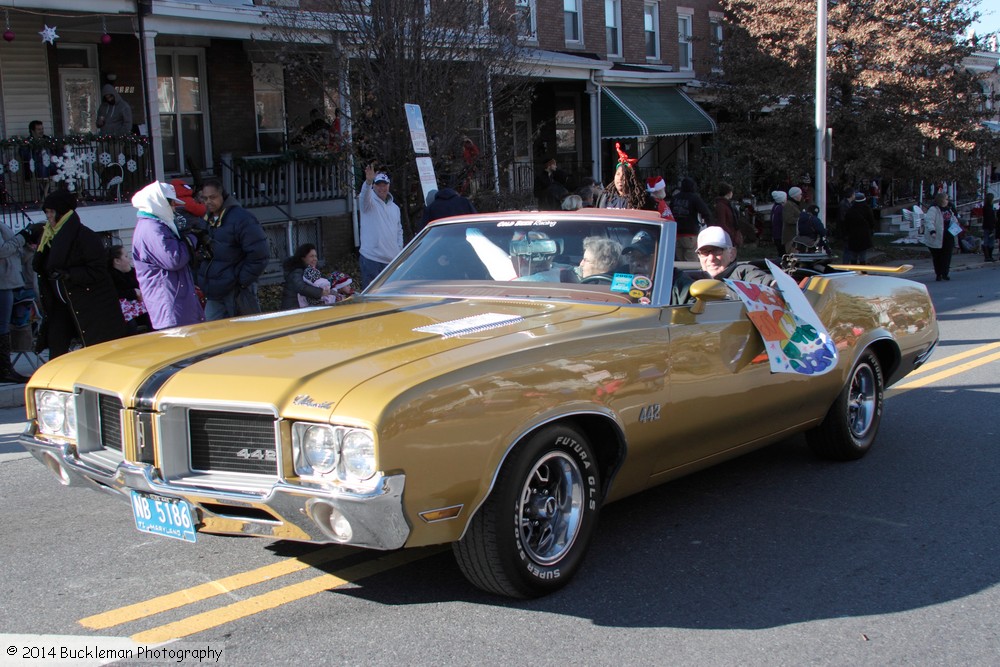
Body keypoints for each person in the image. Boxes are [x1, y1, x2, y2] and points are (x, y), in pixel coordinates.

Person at [30, 189, 128, 357]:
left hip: (90, 305)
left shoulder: (85, 237)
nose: (48, 216)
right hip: (61, 305)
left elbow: (98, 270)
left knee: (95, 350)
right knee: (57, 349)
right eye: (47, 212)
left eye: (52, 212)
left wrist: (69, 274)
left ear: (62, 213)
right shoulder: (48, 237)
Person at [131, 181, 206, 329]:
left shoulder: (154, 226)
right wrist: (192, 239)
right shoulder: (152, 228)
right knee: (183, 347)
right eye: (171, 203)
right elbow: (173, 259)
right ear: (160, 203)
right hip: (170, 306)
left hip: (175, 303)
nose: (173, 208)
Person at [195, 178, 269, 319]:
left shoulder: (242, 218)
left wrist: (241, 281)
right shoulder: (206, 219)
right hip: (214, 289)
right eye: (204, 198)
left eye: (213, 197)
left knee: (247, 334)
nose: (208, 201)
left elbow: (260, 254)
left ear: (222, 195)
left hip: (236, 290)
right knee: (212, 334)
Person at [1, 221, 43, 382]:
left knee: (4, 327)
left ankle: (5, 369)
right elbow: (3, 250)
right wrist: (21, 237)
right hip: (3, 282)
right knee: (3, 327)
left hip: (8, 281)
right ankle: (4, 370)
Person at [359, 164, 404, 288]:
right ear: (374, 186)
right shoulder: (368, 204)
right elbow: (364, 196)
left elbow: (399, 230)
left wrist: (399, 249)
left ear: (388, 186)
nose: (381, 188)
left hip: (391, 262)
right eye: (378, 184)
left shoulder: (395, 208)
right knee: (372, 299)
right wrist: (368, 182)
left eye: (384, 185)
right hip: (371, 259)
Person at [694, 226, 774, 285]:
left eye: (717, 251)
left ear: (732, 253)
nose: (711, 258)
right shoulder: (692, 280)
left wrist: (773, 284)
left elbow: (762, 280)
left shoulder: (742, 273)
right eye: (704, 252)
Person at [108, 245, 152, 334]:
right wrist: (133, 293)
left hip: (139, 309)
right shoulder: (110, 277)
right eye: (126, 256)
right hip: (121, 314)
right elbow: (114, 293)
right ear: (117, 261)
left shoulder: (132, 272)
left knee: (152, 316)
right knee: (130, 324)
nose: (129, 260)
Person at [670, 177, 714, 262]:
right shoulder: (694, 198)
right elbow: (706, 213)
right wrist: (710, 227)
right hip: (690, 234)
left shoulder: (675, 198)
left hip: (676, 233)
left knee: (679, 262)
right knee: (691, 262)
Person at [599, 143, 647, 210]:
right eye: (618, 174)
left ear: (632, 178)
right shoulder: (607, 197)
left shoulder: (641, 199)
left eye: (624, 175)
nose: (620, 178)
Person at [281, 244, 330, 309]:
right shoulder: (297, 271)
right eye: (311, 256)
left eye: (316, 256)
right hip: (293, 309)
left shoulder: (313, 271)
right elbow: (301, 287)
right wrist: (320, 292)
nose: (315, 259)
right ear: (303, 258)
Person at [924, 191, 955, 281]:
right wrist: (932, 231)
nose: (947, 201)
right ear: (941, 200)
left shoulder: (949, 209)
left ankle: (945, 273)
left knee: (947, 255)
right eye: (946, 199)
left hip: (948, 235)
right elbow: (929, 221)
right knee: (938, 256)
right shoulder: (934, 209)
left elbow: (953, 219)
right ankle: (938, 273)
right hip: (937, 235)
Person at [842, 192, 875, 264]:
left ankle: (854, 270)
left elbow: (846, 223)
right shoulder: (867, 209)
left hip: (852, 236)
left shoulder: (850, 210)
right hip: (864, 235)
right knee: (862, 255)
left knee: (853, 255)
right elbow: (871, 222)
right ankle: (862, 271)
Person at [713, 182, 741, 248]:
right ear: (728, 193)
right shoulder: (721, 205)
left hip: (729, 235)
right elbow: (722, 223)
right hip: (726, 236)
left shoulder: (727, 204)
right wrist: (731, 234)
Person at [782, 186, 804, 254]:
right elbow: (788, 219)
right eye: (800, 194)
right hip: (790, 237)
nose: (801, 196)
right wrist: (800, 220)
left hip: (795, 236)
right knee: (792, 256)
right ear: (795, 196)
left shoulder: (795, 205)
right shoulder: (788, 205)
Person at [770, 191, 787, 257]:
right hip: (780, 235)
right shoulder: (781, 209)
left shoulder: (775, 207)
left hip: (776, 235)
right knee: (783, 253)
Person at [982, 192, 996, 262]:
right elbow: (990, 219)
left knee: (987, 241)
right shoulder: (989, 209)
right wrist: (992, 228)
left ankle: (988, 256)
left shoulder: (986, 207)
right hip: (990, 227)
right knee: (990, 242)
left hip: (986, 226)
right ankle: (988, 256)